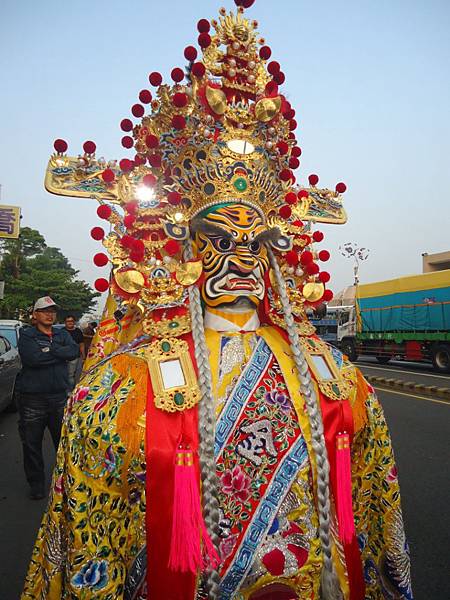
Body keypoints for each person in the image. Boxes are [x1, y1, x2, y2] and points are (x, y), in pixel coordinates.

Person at [22, 4, 412, 599]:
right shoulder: (125, 385)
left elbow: (371, 499)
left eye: (255, 243)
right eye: (220, 241)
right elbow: (96, 527)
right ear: (182, 249)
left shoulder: (335, 378)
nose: (241, 260)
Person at [16, 296, 79, 500]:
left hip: (58, 398)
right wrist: (59, 353)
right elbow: (32, 359)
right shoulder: (27, 335)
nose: (49, 314)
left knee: (63, 443)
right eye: (44, 311)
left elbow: (73, 352)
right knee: (32, 444)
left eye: (52, 311)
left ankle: (66, 482)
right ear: (35, 315)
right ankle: (37, 485)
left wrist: (49, 350)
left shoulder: (62, 334)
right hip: (32, 400)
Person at [64, 315, 85, 388]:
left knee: (70, 375)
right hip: (62, 357)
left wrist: (83, 357)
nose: (70, 323)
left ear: (74, 322)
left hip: (74, 357)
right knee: (62, 374)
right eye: (68, 321)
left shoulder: (78, 331)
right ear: (65, 322)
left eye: (71, 321)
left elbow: (81, 344)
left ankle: (70, 391)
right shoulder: (61, 332)